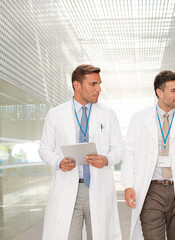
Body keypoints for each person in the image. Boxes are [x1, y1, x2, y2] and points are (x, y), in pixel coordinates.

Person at [38, 64, 123, 240]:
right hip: (69, 186)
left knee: (99, 235)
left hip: (97, 186)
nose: (98, 89)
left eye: (99, 84)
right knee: (68, 236)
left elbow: (119, 149)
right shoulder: (55, 114)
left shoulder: (108, 114)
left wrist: (106, 159)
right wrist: (57, 162)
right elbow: (44, 149)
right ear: (77, 85)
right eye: (93, 84)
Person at [121, 70, 175, 240]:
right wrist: (128, 184)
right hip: (151, 190)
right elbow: (129, 154)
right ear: (159, 93)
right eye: (173, 91)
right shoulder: (139, 119)